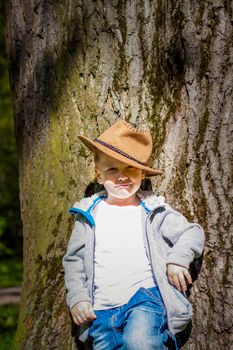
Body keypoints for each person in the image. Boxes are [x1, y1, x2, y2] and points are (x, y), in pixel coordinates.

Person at [62, 119, 205, 350]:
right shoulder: (87, 215)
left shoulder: (153, 210)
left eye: (131, 168)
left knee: (140, 343)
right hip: (99, 312)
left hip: (144, 300)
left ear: (141, 173)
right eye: (112, 169)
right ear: (99, 176)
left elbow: (192, 232)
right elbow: (74, 261)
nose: (122, 176)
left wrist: (178, 259)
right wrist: (78, 297)